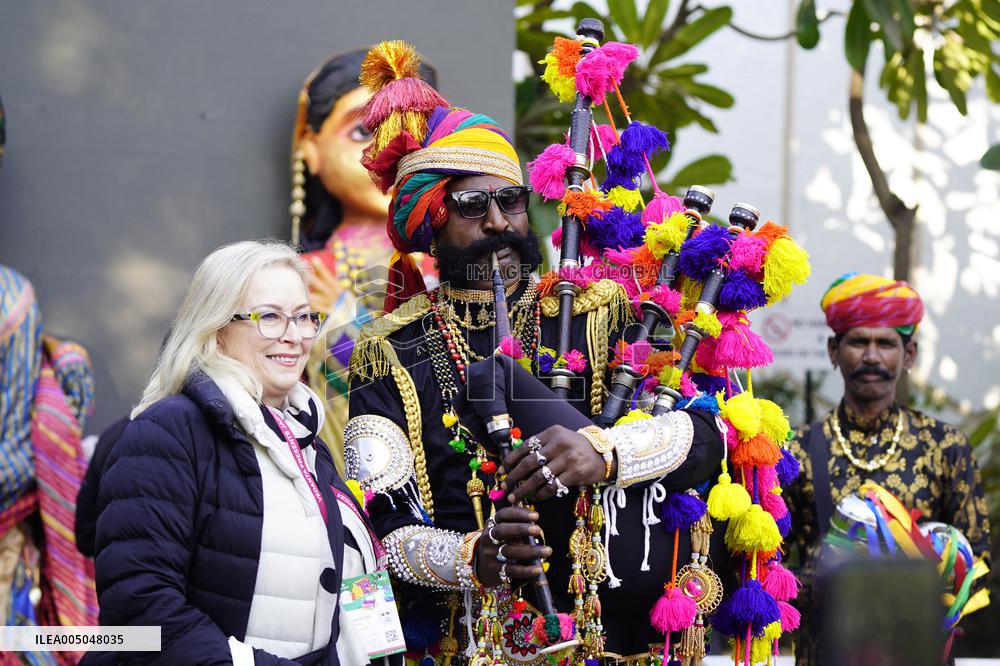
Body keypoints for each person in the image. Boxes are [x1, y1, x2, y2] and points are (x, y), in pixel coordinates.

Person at [345, 42, 726, 664]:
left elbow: (709, 437)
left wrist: (604, 452)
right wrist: (474, 557)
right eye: (472, 206)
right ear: (431, 221)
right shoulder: (390, 348)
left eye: (512, 200)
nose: (499, 222)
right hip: (472, 642)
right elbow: (381, 529)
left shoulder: (603, 307)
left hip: (616, 640)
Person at [88, 241, 395, 665]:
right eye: (269, 317)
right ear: (216, 328)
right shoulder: (170, 430)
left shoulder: (309, 445)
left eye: (304, 317)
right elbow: (139, 610)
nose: (293, 336)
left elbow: (354, 589)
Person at [785, 272, 991, 666]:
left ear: (909, 354)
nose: (872, 357)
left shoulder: (945, 447)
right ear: (833, 350)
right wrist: (825, 586)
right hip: (825, 653)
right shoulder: (797, 448)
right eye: (859, 342)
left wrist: (922, 590)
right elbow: (765, 565)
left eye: (886, 344)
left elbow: (978, 561)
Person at [289, 49, 437, 471]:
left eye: (413, 129)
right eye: (361, 131)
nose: (390, 149)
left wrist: (338, 320)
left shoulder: (445, 270)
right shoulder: (305, 275)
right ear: (310, 149)